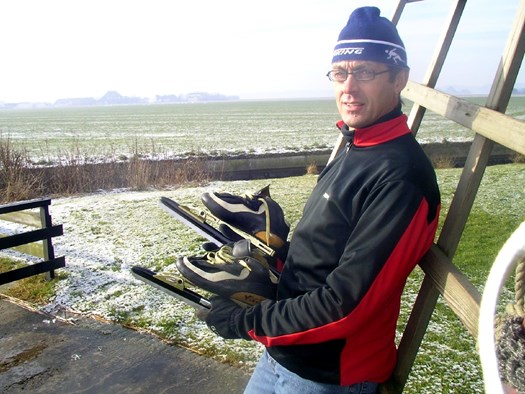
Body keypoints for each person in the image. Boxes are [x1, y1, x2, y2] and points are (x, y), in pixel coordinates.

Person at [200, 6, 441, 393]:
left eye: (365, 72)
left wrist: (247, 322)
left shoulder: (402, 177)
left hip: (330, 376)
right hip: (283, 354)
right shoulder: (354, 146)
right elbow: (327, 251)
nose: (349, 86)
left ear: (399, 79)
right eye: (340, 73)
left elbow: (346, 304)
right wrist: (274, 256)